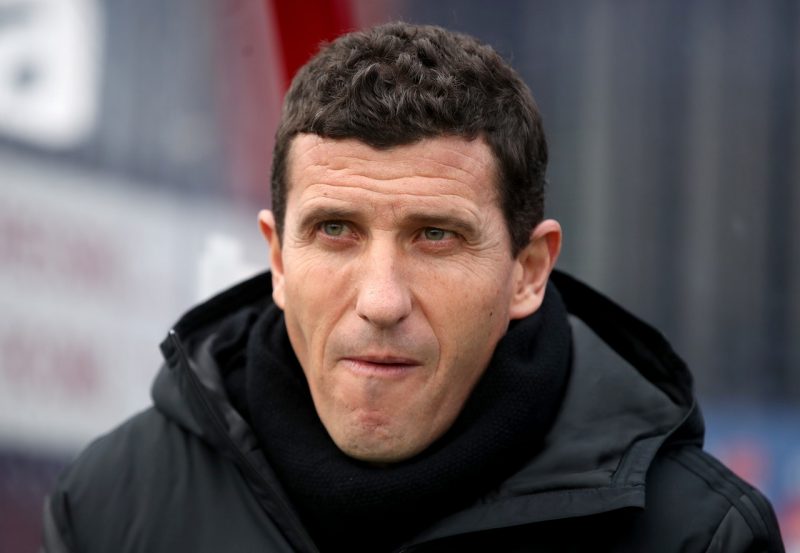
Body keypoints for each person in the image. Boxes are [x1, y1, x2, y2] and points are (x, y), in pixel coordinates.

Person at [42, 22, 784, 552]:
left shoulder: (694, 535)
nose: (381, 300)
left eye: (436, 236)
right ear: (277, 259)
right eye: (336, 230)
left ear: (528, 271)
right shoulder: (113, 502)